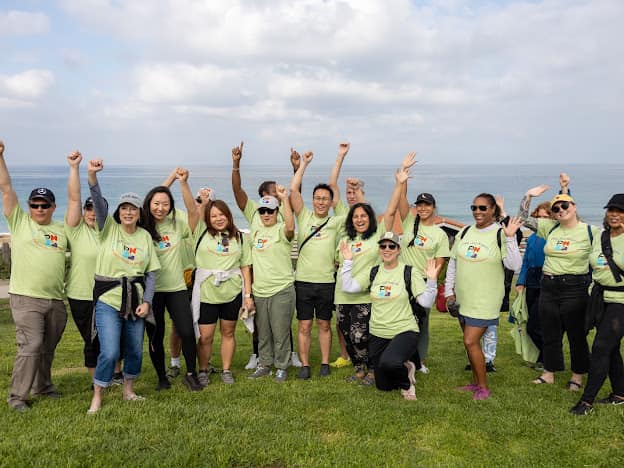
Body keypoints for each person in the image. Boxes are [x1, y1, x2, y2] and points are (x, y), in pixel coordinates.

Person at [87, 159, 160, 414]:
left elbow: (151, 273)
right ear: (118, 212)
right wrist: (92, 175)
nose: (128, 213)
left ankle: (128, 390)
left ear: (139, 214)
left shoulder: (145, 237)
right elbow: (97, 200)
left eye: (133, 209)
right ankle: (98, 395)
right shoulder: (108, 229)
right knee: (110, 351)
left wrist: (147, 302)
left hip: (136, 301)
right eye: (124, 208)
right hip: (109, 299)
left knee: (134, 351)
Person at [0, 140, 68, 412]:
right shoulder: (19, 222)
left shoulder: (62, 230)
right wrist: (1, 157)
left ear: (53, 207)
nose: (39, 209)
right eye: (35, 204)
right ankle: (17, 397)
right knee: (32, 345)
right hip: (26, 298)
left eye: (44, 205)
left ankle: (43, 386)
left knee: (47, 347)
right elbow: (6, 189)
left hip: (55, 299)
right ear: (29, 206)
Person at [333, 160, 413, 384]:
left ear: (369, 219)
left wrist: (399, 184)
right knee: (348, 336)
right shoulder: (346, 237)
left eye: (363, 216)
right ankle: (359, 369)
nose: (359, 219)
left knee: (362, 336)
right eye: (356, 216)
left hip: (365, 296)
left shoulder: (377, 235)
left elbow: (390, 211)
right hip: (342, 295)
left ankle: (371, 371)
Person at [341, 231, 441, 400]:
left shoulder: (409, 271)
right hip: (378, 333)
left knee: (390, 362)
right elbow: (348, 286)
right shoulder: (373, 272)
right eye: (383, 246)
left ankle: (407, 386)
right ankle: (407, 367)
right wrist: (348, 261)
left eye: (391, 246)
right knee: (383, 386)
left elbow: (425, 302)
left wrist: (431, 282)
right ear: (379, 249)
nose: (387, 249)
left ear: (398, 249)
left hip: (404, 330)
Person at [519, 185, 600, 390]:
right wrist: (528, 196)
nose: (561, 210)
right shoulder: (551, 228)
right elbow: (523, 219)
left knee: (576, 335)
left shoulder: (591, 231)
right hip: (548, 286)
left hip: (575, 287)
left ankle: (577, 376)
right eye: (556, 208)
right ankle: (549, 373)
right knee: (550, 333)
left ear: (574, 206)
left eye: (565, 205)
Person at [231, 141, 302, 369]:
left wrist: (296, 168)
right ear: (262, 197)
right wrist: (236, 164)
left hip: (280, 275)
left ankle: (286, 356)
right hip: (258, 275)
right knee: (260, 324)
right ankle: (259, 356)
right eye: (272, 193)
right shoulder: (255, 212)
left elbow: (294, 195)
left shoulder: (282, 210)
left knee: (280, 323)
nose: (278, 194)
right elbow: (237, 191)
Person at [445, 193, 522, 400]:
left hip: (485, 300)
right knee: (468, 342)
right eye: (474, 208)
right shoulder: (465, 231)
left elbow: (515, 266)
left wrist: (511, 237)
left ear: (493, 211)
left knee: (471, 341)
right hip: (463, 297)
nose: (477, 212)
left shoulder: (500, 233)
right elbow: (453, 262)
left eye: (482, 208)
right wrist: (448, 292)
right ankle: (475, 382)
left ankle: (483, 388)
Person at [180, 168, 253, 386]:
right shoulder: (199, 232)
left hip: (231, 292)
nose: (218, 218)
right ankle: (203, 369)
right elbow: (192, 210)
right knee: (205, 336)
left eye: (222, 215)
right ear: (208, 218)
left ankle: (226, 369)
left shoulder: (239, 237)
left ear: (228, 216)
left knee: (228, 332)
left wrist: (247, 295)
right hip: (206, 293)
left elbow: (245, 267)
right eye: (213, 215)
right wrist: (185, 184)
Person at [290, 148, 347, 379]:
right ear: (312, 200)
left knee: (324, 324)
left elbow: (361, 215)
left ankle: (324, 362)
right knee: (304, 326)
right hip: (303, 281)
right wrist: (304, 164)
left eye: (325, 198)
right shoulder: (303, 215)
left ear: (331, 201)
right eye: (317, 198)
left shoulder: (337, 222)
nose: (321, 202)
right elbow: (293, 189)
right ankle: (305, 364)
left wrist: (339, 159)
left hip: (326, 282)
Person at [141, 180, 202, 391]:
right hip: (152, 292)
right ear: (149, 203)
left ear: (171, 206)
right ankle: (161, 378)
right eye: (156, 203)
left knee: (186, 331)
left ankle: (191, 374)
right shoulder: (142, 226)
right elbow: (150, 199)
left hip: (176, 288)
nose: (160, 208)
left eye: (165, 204)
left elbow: (194, 213)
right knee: (155, 336)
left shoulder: (177, 225)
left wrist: (184, 183)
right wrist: (167, 182)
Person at [570, 194, 624, 415]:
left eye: (620, 211)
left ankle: (587, 401)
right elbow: (572, 219)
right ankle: (620, 394)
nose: (614, 214)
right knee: (610, 349)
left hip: (621, 302)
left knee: (601, 347)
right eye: (611, 210)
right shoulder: (600, 236)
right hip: (599, 299)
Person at [395, 159, 449, 374]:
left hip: (424, 283)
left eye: (427, 205)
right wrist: (404, 174)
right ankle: (400, 357)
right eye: (420, 205)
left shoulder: (439, 234)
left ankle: (419, 361)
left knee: (421, 324)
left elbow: (440, 261)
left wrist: (432, 281)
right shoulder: (409, 221)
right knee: (400, 320)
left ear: (433, 208)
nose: (423, 208)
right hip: (402, 279)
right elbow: (401, 199)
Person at [247, 189, 296, 382]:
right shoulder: (256, 231)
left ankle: (282, 366)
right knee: (264, 332)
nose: (266, 214)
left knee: (281, 331)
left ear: (277, 212)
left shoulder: (282, 229)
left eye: (270, 211)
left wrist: (285, 199)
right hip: (260, 291)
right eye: (262, 211)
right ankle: (264, 364)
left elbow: (291, 227)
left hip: (281, 290)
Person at [328, 142, 365, 369]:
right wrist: (340, 156)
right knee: (341, 319)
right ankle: (345, 355)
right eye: (348, 192)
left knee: (360, 319)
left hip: (360, 271)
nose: (350, 196)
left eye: (354, 192)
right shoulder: (341, 211)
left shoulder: (364, 213)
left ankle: (362, 355)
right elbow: (332, 184)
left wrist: (357, 186)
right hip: (341, 269)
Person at [65, 151, 101, 380]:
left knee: (111, 338)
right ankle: (96, 382)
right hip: (81, 295)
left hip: (108, 295)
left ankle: (112, 375)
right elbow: (74, 199)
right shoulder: (76, 231)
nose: (91, 213)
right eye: (88, 209)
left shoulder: (109, 233)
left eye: (96, 209)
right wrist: (75, 168)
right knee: (92, 339)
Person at [515, 201, 552, 368]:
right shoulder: (530, 239)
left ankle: (547, 358)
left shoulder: (553, 235)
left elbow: (568, 212)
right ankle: (542, 358)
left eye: (546, 217)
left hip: (546, 281)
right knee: (530, 321)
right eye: (539, 217)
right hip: (531, 280)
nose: (542, 220)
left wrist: (565, 188)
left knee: (535, 325)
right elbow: (525, 263)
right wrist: (520, 281)